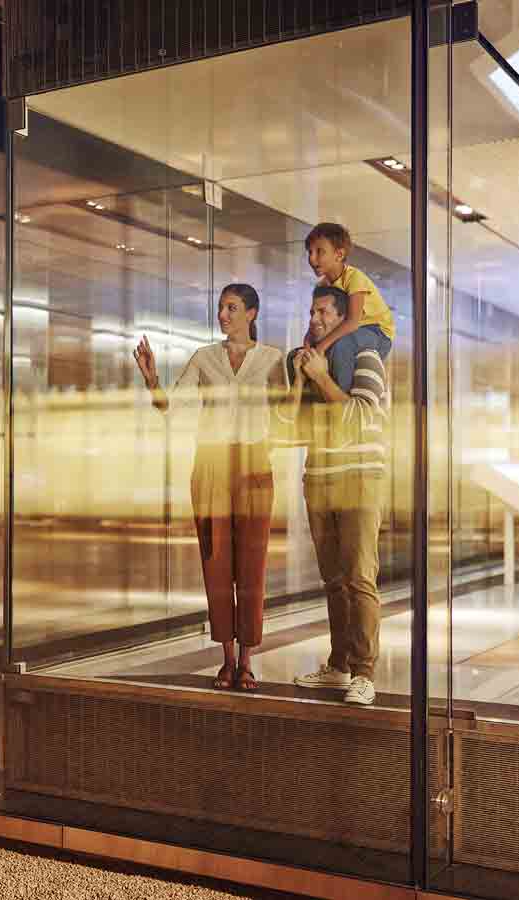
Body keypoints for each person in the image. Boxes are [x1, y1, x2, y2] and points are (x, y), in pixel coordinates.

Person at [133, 284, 289, 693]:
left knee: (252, 567)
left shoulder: (272, 360)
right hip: (211, 464)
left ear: (251, 313)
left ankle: (247, 660)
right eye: (221, 307)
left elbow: (288, 414)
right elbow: (171, 407)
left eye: (232, 308)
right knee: (216, 564)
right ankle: (225, 659)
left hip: (255, 464)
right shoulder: (204, 358)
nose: (222, 315)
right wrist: (152, 380)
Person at [285, 285, 389, 706]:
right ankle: (339, 665)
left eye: (323, 312)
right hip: (319, 477)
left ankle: (364, 672)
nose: (314, 319)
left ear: (344, 317)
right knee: (333, 581)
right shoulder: (311, 362)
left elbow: (361, 419)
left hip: (360, 476)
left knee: (359, 576)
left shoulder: (366, 356)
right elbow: (292, 429)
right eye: (311, 312)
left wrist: (321, 377)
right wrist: (298, 381)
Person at [304, 222, 394, 393]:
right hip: (353, 331)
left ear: (339, 254)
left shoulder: (354, 278)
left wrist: (321, 346)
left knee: (340, 345)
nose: (312, 258)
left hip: (377, 332)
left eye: (319, 252)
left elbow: (352, 322)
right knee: (307, 352)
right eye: (310, 252)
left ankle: (342, 399)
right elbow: (316, 321)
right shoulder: (322, 285)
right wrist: (308, 341)